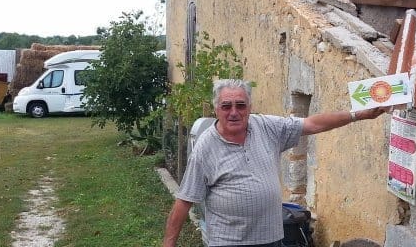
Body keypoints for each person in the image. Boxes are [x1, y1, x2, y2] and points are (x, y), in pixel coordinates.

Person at [163, 79, 390, 247]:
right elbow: (185, 200)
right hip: (229, 242)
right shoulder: (206, 147)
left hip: (271, 240)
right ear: (216, 109)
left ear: (249, 107)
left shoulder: (266, 127)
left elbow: (312, 124)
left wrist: (358, 115)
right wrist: (169, 244)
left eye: (241, 105)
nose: (234, 112)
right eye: (226, 106)